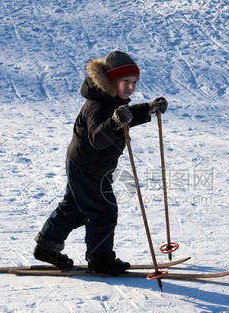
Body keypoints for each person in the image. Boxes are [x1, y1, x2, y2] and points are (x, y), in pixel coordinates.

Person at [33, 51, 168, 274]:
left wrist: (148, 109)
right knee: (103, 212)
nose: (132, 87)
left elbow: (127, 114)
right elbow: (97, 138)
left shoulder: (111, 100)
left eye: (135, 82)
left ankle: (46, 246)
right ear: (111, 81)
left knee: (75, 208)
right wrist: (115, 122)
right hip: (88, 168)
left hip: (89, 167)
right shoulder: (97, 105)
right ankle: (100, 259)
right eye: (126, 82)